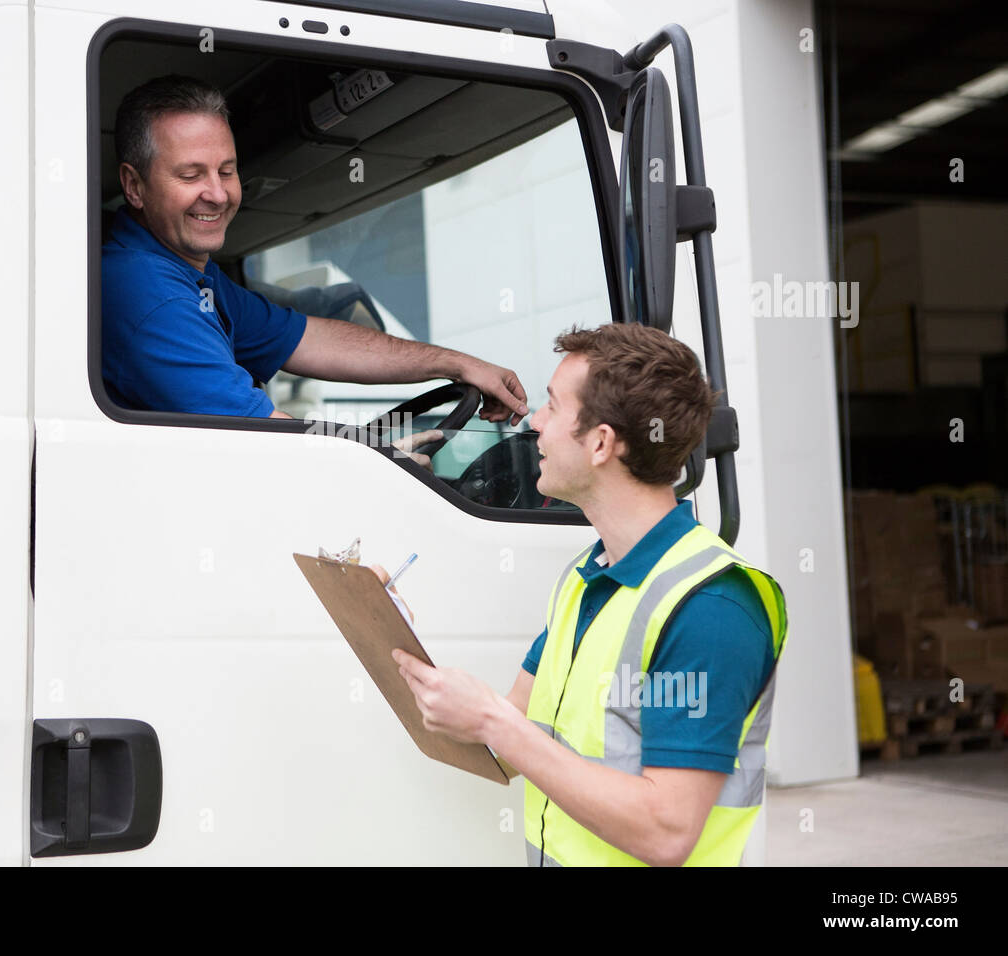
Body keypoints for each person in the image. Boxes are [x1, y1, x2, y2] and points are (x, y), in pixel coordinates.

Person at [382, 322, 788, 866]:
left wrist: (493, 722)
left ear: (600, 443)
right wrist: (390, 631)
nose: (533, 422)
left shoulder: (710, 608)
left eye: (551, 405)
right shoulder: (586, 578)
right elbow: (498, 748)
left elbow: (666, 833)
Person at [103, 75, 530, 466]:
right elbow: (269, 439)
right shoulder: (149, 292)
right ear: (135, 186)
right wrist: (379, 466)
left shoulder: (187, 272)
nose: (217, 194)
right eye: (191, 175)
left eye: (227, 171)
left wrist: (458, 365)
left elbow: (310, 339)